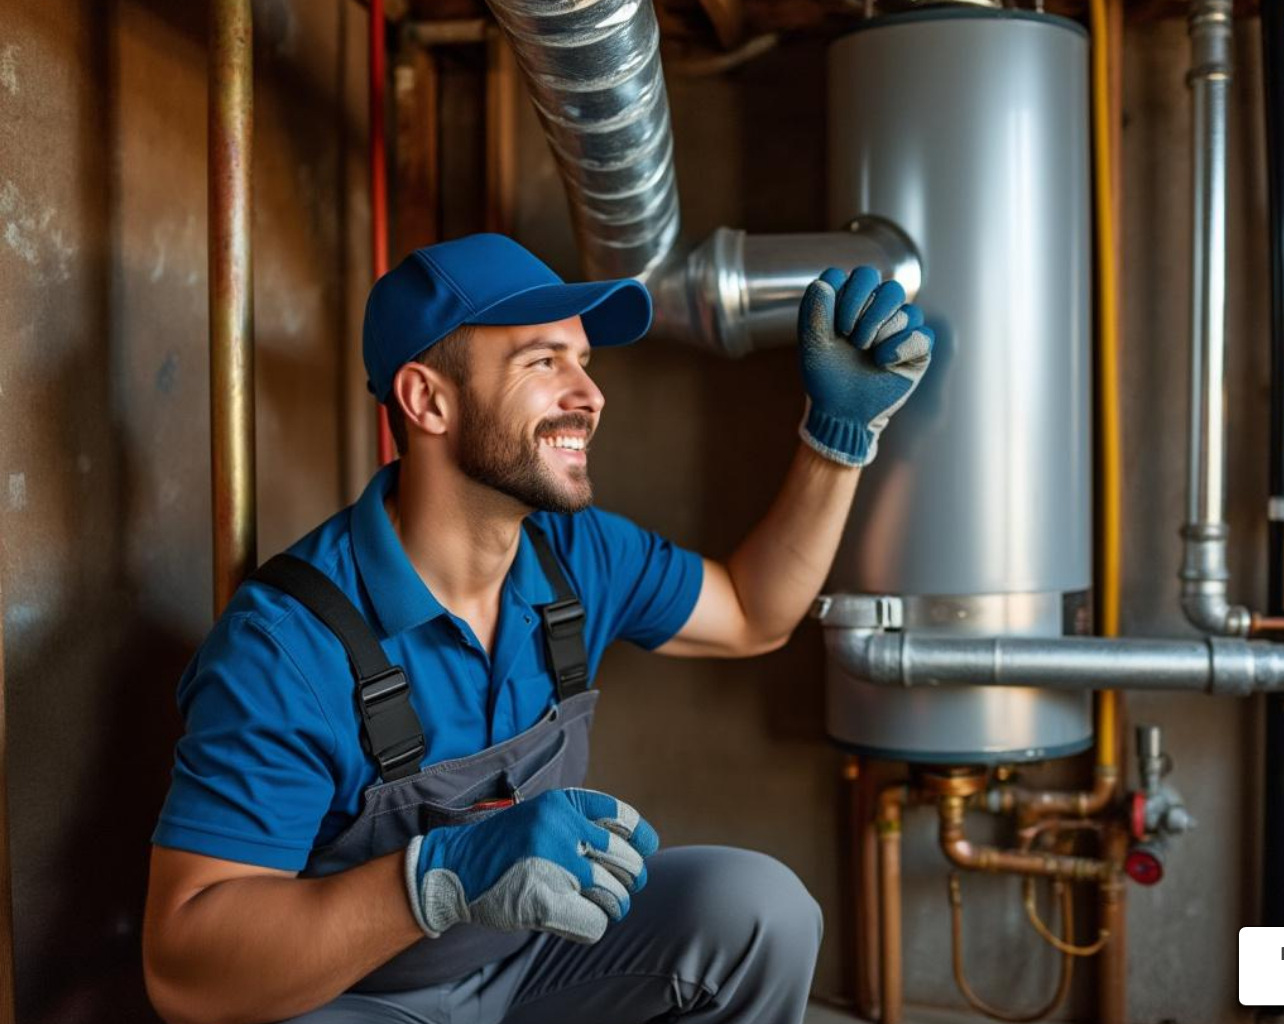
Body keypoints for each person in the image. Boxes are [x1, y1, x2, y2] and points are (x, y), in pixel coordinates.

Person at [141, 233, 934, 1024]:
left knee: (760, 910)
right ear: (428, 401)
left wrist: (836, 440)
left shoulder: (573, 558)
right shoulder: (287, 645)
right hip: (358, 999)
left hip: (530, 962)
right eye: (542, 361)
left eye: (584, 362)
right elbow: (184, 971)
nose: (588, 395)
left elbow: (754, 614)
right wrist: (431, 880)